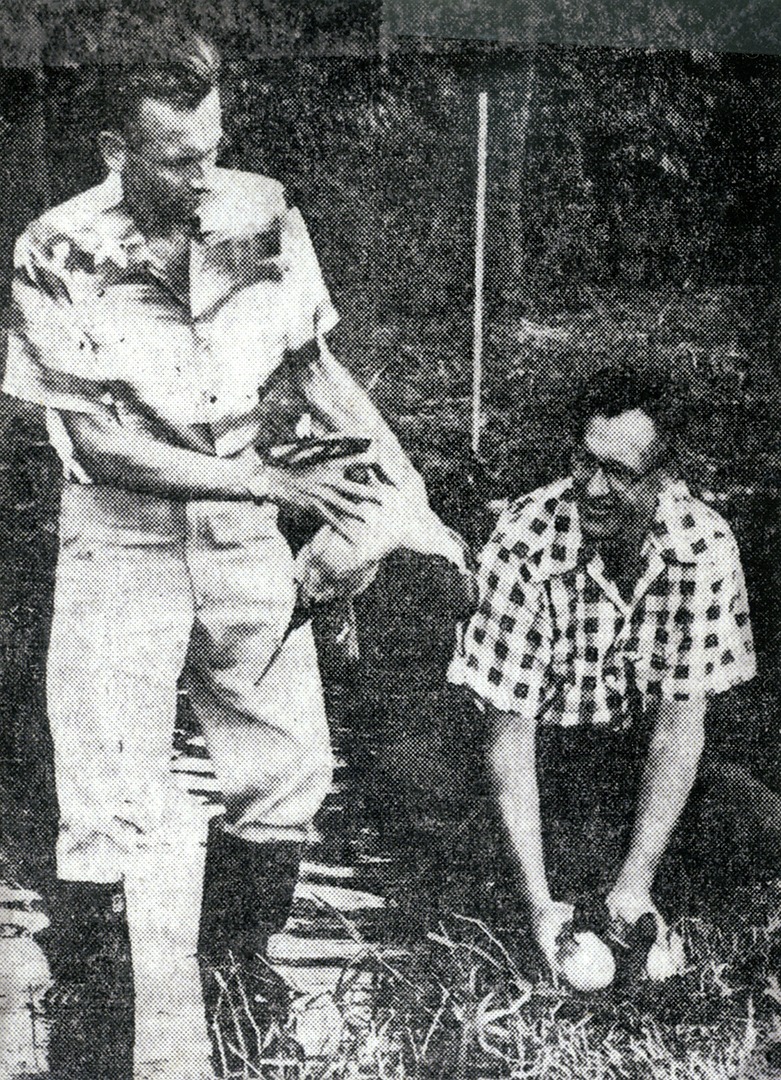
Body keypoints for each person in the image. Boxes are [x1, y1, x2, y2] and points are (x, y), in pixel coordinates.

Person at [1, 23, 445, 1080]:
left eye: (212, 148)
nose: (205, 176)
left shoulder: (262, 211)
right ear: (116, 149)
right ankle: (92, 1035)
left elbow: (311, 370)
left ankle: (245, 1008)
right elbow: (103, 443)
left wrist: (398, 499)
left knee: (288, 770)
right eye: (176, 158)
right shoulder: (53, 250)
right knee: (104, 799)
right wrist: (268, 481)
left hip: (247, 532)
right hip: (124, 538)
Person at [449, 365, 781, 986]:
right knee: (505, 882)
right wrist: (540, 905)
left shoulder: (703, 548)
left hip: (639, 758)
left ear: (665, 480)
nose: (594, 488)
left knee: (761, 831)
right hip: (553, 761)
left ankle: (645, 903)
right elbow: (508, 740)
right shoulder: (525, 541)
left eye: (619, 474)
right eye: (584, 464)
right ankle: (557, 905)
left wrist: (633, 886)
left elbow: (679, 732)